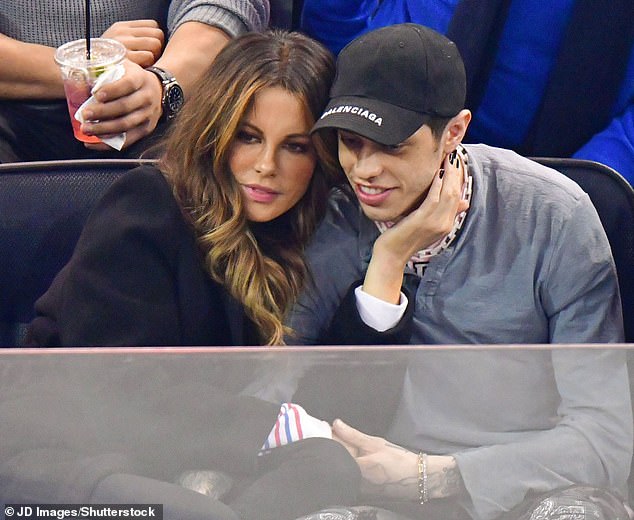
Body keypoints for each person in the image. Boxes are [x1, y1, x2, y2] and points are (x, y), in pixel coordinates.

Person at [287, 23, 633, 520]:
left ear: (454, 131)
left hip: (526, 492)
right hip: (369, 493)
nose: (364, 170)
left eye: (392, 146)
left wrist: (438, 476)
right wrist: (391, 254)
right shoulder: (332, 218)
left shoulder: (554, 215)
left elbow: (606, 439)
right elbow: (271, 386)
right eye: (350, 142)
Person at [15, 30, 363, 520]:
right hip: (73, 450)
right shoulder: (149, 204)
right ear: (216, 130)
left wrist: (389, 261)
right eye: (248, 136)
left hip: (187, 454)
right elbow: (116, 394)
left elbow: (342, 393)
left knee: (333, 465)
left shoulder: (307, 235)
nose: (266, 166)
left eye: (296, 147)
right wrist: (272, 427)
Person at [298, 0, 634, 185]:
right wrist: (369, 102)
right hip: (384, 140)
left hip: (561, 183)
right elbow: (333, 19)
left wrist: (588, 179)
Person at [0, 0, 269, 162]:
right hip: (12, 116)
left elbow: (228, 6)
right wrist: (86, 67)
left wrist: (160, 84)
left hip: (159, 109)